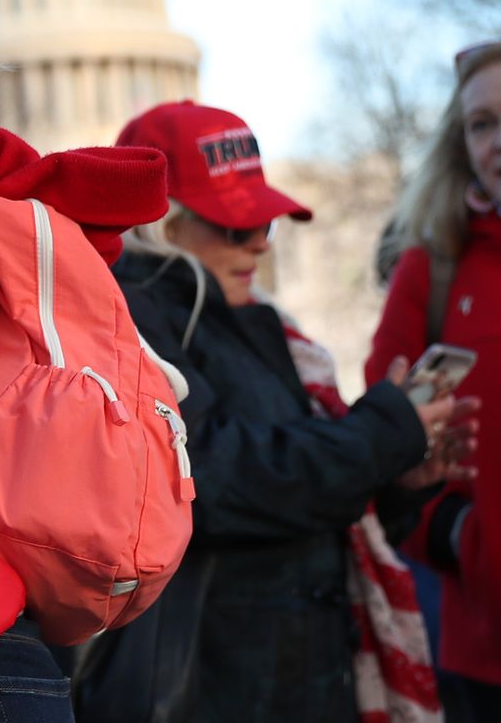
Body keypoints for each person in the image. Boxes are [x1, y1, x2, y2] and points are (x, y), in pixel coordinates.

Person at [102, 101, 477, 723]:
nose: (257, 242)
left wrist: (397, 480)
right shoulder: (132, 319)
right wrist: (384, 432)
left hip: (297, 672)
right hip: (212, 684)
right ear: (162, 223)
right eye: (233, 225)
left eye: (263, 223)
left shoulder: (259, 321)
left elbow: (298, 491)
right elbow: (209, 478)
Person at [368, 39, 501, 720]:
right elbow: (380, 433)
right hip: (484, 648)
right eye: (482, 123)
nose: (498, 141)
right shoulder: (434, 267)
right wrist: (451, 534)